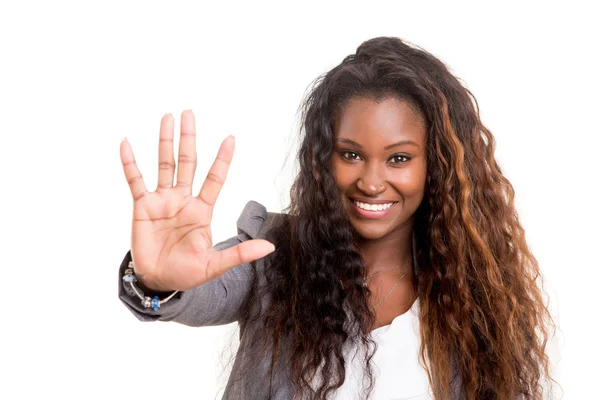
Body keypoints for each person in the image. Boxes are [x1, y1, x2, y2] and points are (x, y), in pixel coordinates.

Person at [118, 37, 555, 399]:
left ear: (434, 165)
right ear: (322, 159)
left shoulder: (474, 296)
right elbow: (198, 291)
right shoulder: (270, 256)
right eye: (351, 154)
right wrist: (156, 281)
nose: (371, 181)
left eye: (399, 158)